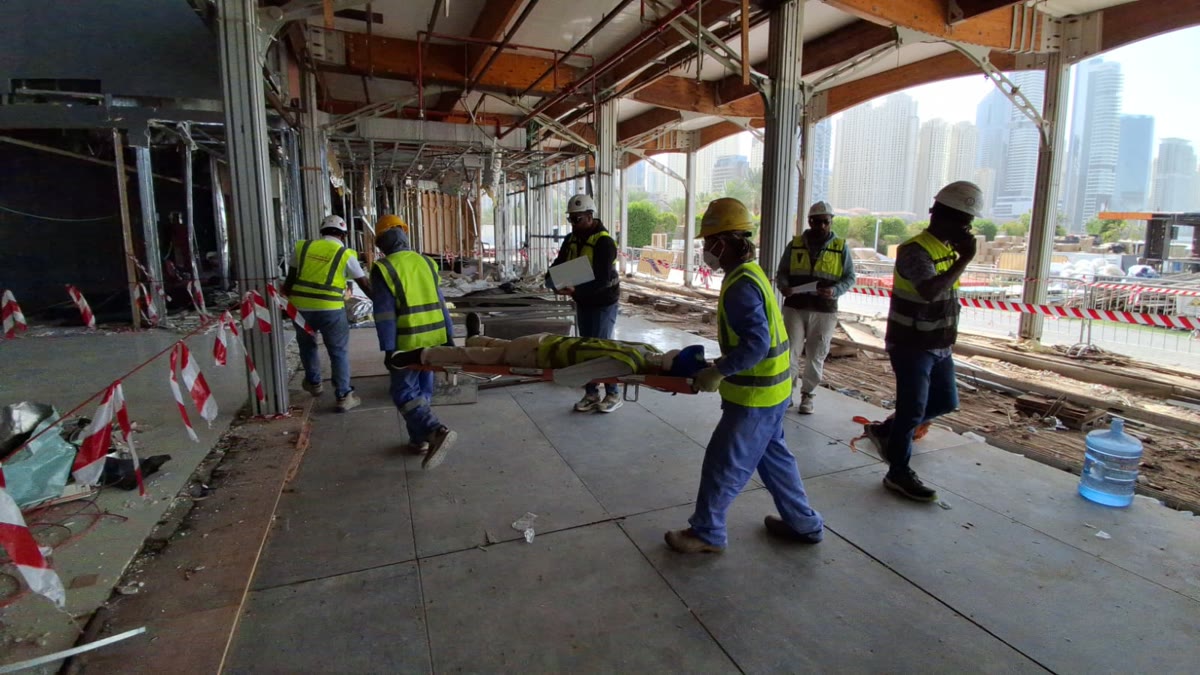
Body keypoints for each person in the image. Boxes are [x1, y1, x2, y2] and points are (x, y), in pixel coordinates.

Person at [665, 198, 824, 554]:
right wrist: (722, 360)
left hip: (755, 398)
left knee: (724, 465)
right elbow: (758, 339)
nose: (706, 250)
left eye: (709, 243)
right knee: (776, 462)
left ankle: (706, 532)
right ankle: (805, 525)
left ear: (725, 242)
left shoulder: (739, 285)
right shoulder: (751, 273)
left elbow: (756, 343)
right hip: (774, 392)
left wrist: (718, 372)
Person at [863, 181, 982, 502]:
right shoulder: (914, 250)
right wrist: (965, 260)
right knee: (911, 409)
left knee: (946, 402)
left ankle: (886, 431)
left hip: (938, 343)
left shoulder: (945, 249)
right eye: (962, 222)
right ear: (938, 214)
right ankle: (897, 472)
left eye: (968, 223)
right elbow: (929, 289)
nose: (967, 231)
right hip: (911, 343)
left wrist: (959, 256)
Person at [370, 216, 458, 469]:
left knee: (403, 392)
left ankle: (435, 431)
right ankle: (418, 439)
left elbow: (385, 315)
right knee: (422, 391)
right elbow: (441, 303)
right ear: (404, 235)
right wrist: (449, 337)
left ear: (381, 242)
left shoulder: (384, 268)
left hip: (407, 341)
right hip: (434, 338)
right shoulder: (426, 262)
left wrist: (389, 350)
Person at [283, 214, 371, 413]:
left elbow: (289, 281)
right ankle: (343, 396)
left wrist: (285, 305)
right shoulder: (345, 253)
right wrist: (384, 303)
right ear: (344, 235)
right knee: (338, 351)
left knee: (306, 345)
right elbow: (364, 283)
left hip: (301, 308)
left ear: (321, 231)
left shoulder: (302, 247)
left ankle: (314, 383)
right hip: (330, 309)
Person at [775, 200, 856, 414]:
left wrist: (835, 290)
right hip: (795, 307)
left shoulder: (840, 247)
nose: (821, 226)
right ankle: (787, 394)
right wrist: (784, 287)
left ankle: (808, 395)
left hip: (824, 310)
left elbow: (850, 277)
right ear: (809, 221)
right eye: (816, 221)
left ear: (831, 222)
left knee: (816, 354)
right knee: (790, 352)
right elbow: (782, 272)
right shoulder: (795, 245)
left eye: (825, 222)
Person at [546, 193, 622, 414]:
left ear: (590, 216)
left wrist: (576, 290)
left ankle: (613, 393)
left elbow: (602, 278)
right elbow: (559, 264)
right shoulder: (571, 239)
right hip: (583, 300)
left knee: (602, 346)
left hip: (602, 301)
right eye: (570, 219)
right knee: (586, 348)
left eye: (577, 219)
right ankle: (591, 393)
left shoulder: (604, 242)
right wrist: (551, 280)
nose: (573, 223)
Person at [389, 333, 708, 383]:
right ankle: (419, 355)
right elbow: (570, 377)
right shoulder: (630, 364)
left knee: (497, 347)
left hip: (547, 339)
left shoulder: (642, 348)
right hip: (539, 354)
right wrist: (547, 377)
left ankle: (473, 335)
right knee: (477, 357)